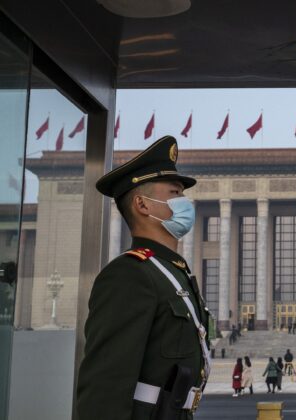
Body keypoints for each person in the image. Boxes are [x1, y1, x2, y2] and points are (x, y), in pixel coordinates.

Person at [76, 136, 210, 419]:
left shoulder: (171, 272)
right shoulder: (129, 275)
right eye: (174, 194)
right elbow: (105, 386)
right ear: (143, 205)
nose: (184, 203)